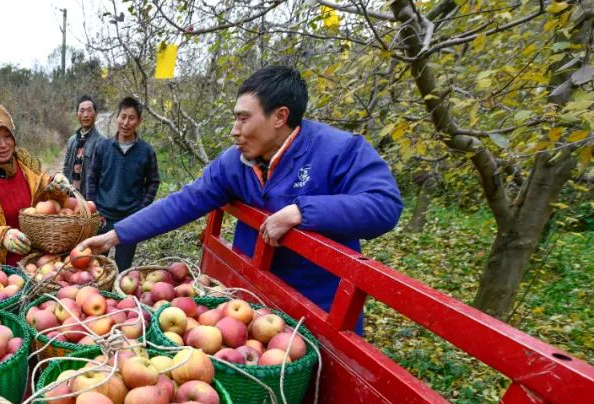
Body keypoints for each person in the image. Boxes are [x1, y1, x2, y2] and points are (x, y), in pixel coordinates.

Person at [76, 66, 402, 330]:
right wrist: (114, 235)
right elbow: (185, 201)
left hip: (319, 309)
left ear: (279, 116)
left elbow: (384, 205)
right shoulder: (236, 162)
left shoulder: (339, 151)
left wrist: (302, 210)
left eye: (243, 118)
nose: (234, 129)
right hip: (250, 303)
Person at [0, 103, 72, 264]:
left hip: (39, 262)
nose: (3, 144)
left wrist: (58, 187)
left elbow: (50, 202)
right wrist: (3, 235)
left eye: (7, 136)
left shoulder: (27, 164)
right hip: (1, 268)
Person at [85, 96, 161, 272]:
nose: (126, 123)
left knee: (123, 267)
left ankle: (118, 298)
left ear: (139, 121)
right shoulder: (103, 147)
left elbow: (153, 182)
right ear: (117, 117)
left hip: (129, 219)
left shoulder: (146, 152)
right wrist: (93, 207)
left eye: (131, 118)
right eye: (123, 116)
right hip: (102, 217)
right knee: (96, 266)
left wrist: (140, 209)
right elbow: (92, 178)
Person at [61, 95, 104, 196]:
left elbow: (104, 176)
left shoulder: (102, 142)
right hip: (71, 197)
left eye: (89, 110)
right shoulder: (72, 140)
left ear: (96, 113)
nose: (85, 115)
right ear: (77, 114)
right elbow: (66, 168)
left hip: (89, 200)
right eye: (82, 111)